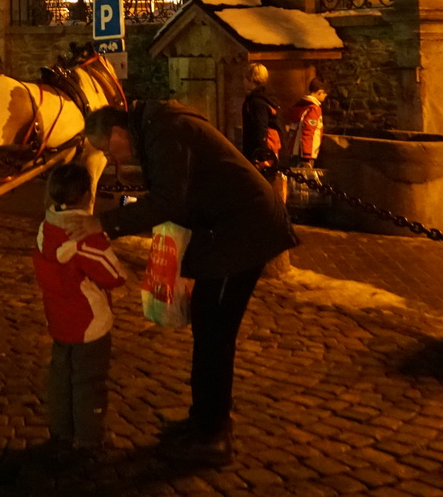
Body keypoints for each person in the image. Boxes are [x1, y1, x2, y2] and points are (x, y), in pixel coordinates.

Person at [82, 102, 296, 466]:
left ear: (118, 132)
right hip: (225, 229)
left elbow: (168, 200)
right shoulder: (156, 129)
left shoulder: (165, 132)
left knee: (216, 331)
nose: (110, 156)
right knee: (207, 321)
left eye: (106, 148)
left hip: (244, 230)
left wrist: (104, 224)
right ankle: (204, 419)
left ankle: (215, 436)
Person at [32, 162, 126, 455]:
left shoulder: (46, 228)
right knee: (89, 381)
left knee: (61, 376)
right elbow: (113, 275)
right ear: (86, 194)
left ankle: (61, 431)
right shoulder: (85, 236)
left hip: (58, 319)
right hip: (90, 323)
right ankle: (90, 436)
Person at [280, 78, 328, 167]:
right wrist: (306, 156)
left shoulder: (301, 106)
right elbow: (308, 131)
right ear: (320, 92)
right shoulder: (313, 109)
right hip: (304, 154)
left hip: (293, 150)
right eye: (325, 93)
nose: (326, 95)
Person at [239, 63, 280, 165]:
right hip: (269, 149)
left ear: (252, 79)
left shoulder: (256, 102)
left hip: (260, 153)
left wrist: (262, 155)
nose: (243, 81)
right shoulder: (266, 97)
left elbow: (260, 127)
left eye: (245, 78)